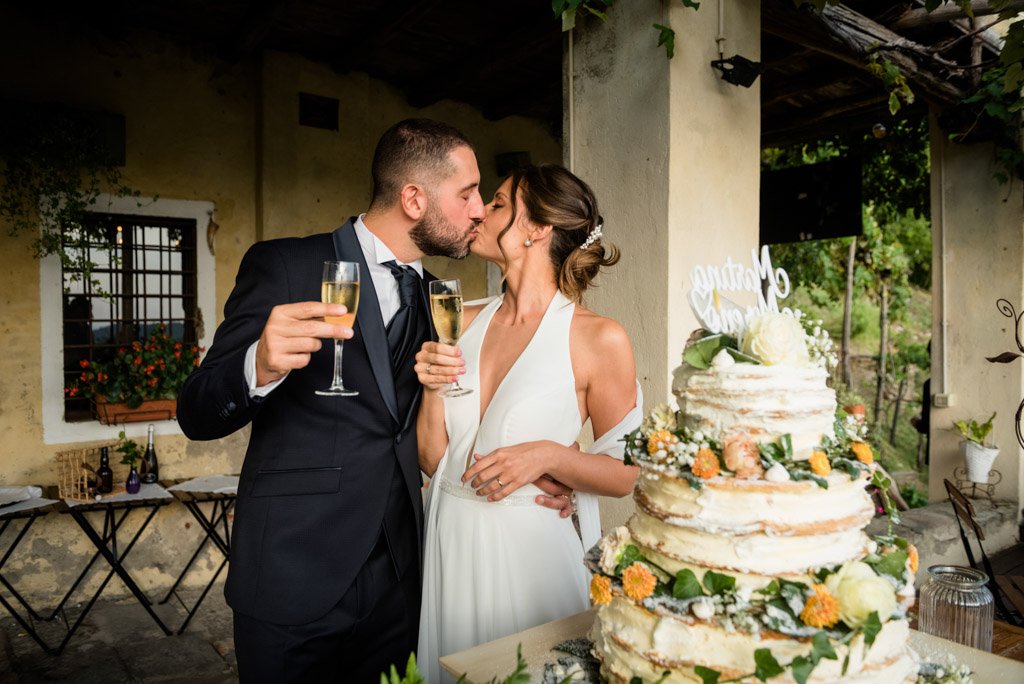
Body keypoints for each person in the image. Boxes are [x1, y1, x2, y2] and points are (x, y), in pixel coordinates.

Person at [177, 119, 571, 682]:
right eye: (466, 194)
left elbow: (466, 416)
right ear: (414, 199)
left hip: (401, 582)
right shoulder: (286, 265)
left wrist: (551, 472)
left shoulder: (442, 299)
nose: (479, 211)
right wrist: (256, 366)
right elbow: (196, 412)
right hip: (293, 571)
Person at [413, 164, 643, 682]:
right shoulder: (459, 318)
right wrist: (430, 386)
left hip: (529, 553)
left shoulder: (597, 338)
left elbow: (628, 473)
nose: (480, 211)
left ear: (537, 229)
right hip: (450, 541)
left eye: (497, 203)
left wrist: (549, 457)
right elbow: (432, 459)